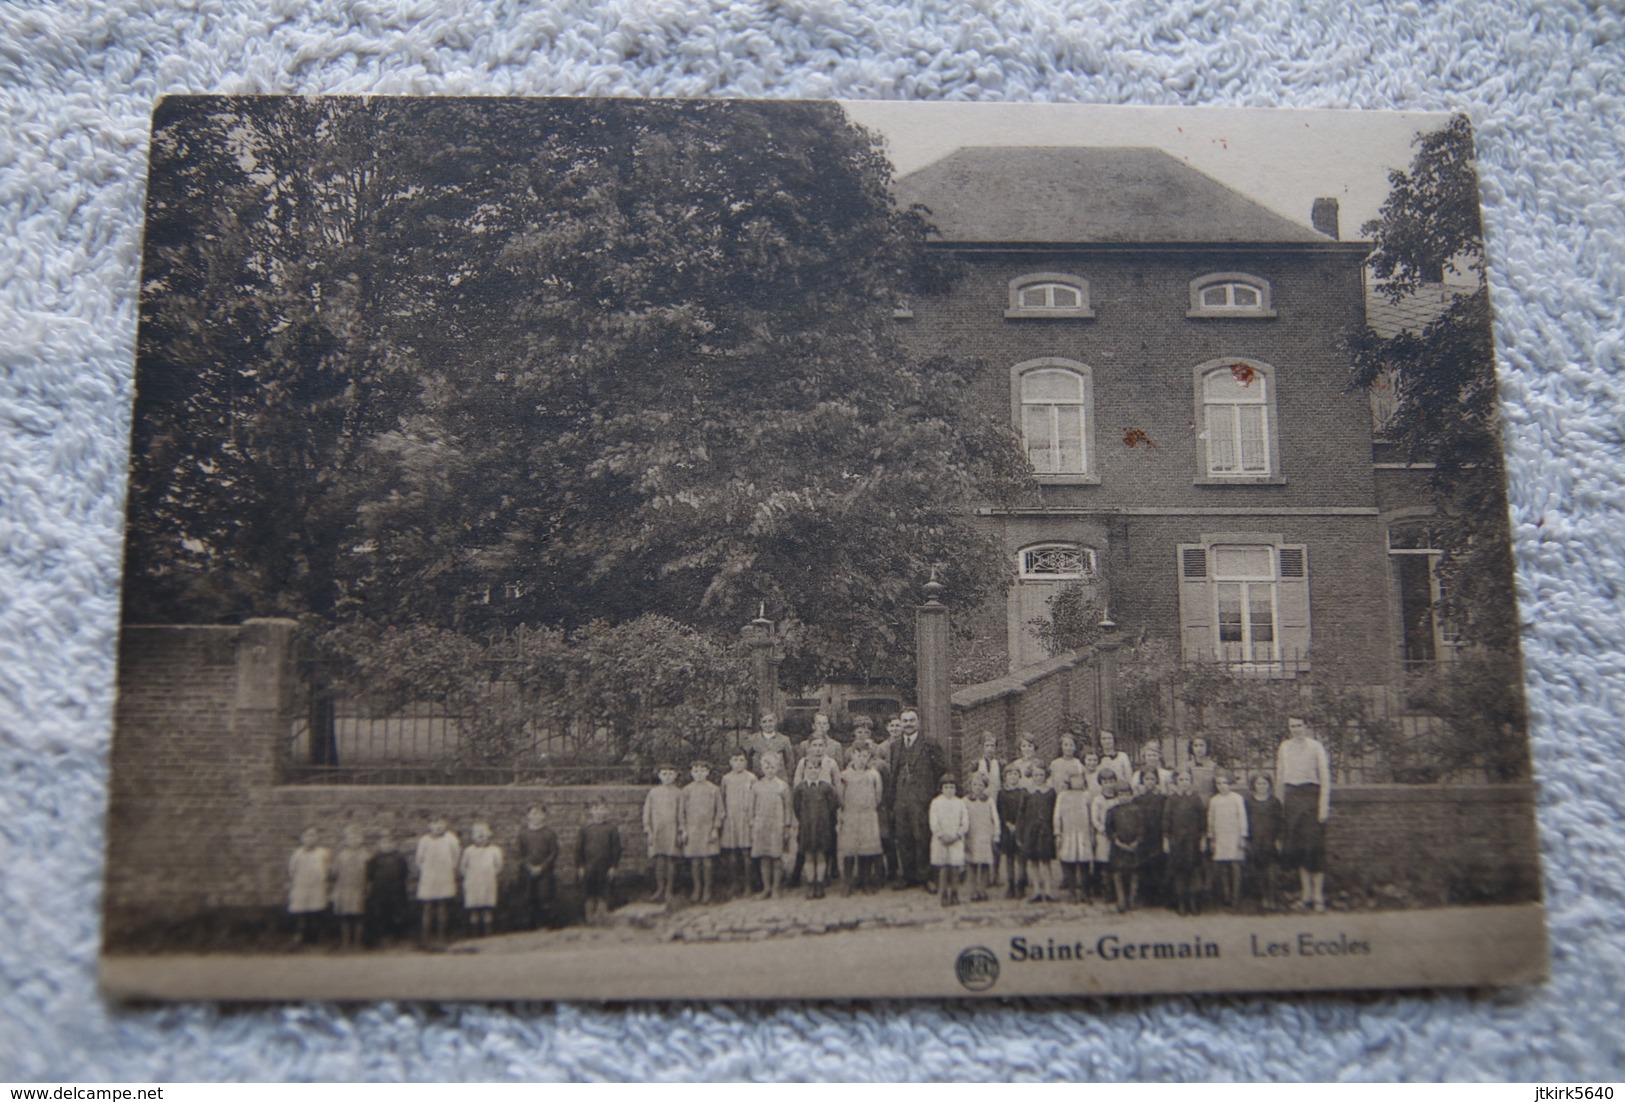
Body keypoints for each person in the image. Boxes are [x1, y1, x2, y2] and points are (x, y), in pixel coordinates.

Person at [1275, 715, 1332, 912]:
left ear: (1306, 726)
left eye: (1299, 725)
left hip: (1310, 799)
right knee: (1298, 849)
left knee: (1313, 849)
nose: (1295, 729)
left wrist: (1323, 808)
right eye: (1292, 726)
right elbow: (1281, 776)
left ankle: (1318, 897)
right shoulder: (1284, 747)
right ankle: (1305, 894)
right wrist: (1280, 806)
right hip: (1292, 799)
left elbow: (1325, 778)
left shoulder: (1315, 747)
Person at [889, 710, 945, 890]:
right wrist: (893, 799)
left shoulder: (929, 744)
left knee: (922, 837)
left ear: (919, 723)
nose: (908, 724)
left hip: (922, 799)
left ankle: (926, 876)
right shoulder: (896, 745)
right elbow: (894, 772)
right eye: (904, 721)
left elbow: (941, 771)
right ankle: (908, 875)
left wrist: (935, 797)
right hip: (901, 799)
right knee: (903, 837)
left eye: (912, 720)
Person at [836, 744, 884, 895]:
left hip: (868, 815)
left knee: (867, 850)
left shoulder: (873, 775)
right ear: (852, 756)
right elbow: (840, 796)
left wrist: (868, 807)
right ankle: (848, 882)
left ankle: (866, 881)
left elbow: (878, 795)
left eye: (864, 756)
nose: (861, 759)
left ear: (869, 757)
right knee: (849, 849)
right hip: (851, 815)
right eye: (858, 755)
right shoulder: (845, 775)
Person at [794, 745, 840, 899]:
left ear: (820, 770)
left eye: (816, 767)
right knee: (808, 856)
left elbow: (833, 806)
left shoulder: (826, 788)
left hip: (822, 826)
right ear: (805, 769)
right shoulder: (800, 789)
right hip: (806, 826)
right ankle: (811, 884)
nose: (813, 770)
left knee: (820, 855)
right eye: (810, 767)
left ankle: (820, 884)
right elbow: (796, 808)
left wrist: (826, 820)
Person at [749, 752, 794, 900]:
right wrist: (753, 824)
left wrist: (787, 826)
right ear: (761, 767)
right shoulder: (756, 786)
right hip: (761, 825)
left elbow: (788, 808)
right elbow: (752, 807)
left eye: (773, 767)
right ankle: (766, 888)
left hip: (777, 825)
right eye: (766, 767)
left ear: (778, 767)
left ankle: (776, 888)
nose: (769, 769)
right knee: (764, 858)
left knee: (776, 858)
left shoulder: (783, 786)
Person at [1162, 769, 1208, 916]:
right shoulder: (1172, 800)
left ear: (1191, 782)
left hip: (1193, 841)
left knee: (1193, 871)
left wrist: (1202, 838)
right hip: (1177, 841)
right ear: (1176, 782)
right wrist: (1166, 839)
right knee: (1179, 872)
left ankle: (1193, 902)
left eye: (1187, 780)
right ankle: (1181, 902)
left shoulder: (1195, 798)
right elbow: (1167, 820)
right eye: (1181, 780)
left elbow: (1202, 820)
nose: (1184, 783)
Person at [679, 760, 725, 904]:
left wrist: (715, 829)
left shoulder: (714, 789)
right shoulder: (686, 790)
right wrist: (684, 829)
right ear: (692, 773)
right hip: (693, 829)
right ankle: (697, 889)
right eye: (696, 771)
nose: (699, 774)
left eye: (702, 771)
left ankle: (707, 890)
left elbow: (720, 811)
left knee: (707, 861)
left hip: (708, 829)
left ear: (707, 772)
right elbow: (681, 813)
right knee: (695, 861)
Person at [414, 816, 460, 947]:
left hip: (444, 876)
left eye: (441, 823)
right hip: (429, 877)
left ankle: (442, 936)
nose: (438, 826)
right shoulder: (424, 840)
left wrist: (449, 868)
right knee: (427, 907)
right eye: (434, 823)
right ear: (429, 826)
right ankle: (426, 938)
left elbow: (455, 855)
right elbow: (419, 859)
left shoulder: (450, 839)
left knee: (442, 907)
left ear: (445, 825)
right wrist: (427, 870)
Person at [575, 798, 622, 924]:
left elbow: (616, 849)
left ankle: (602, 918)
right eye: (596, 809)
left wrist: (613, 866)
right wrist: (580, 866)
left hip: (605, 867)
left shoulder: (611, 829)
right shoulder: (585, 829)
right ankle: (589, 919)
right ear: (590, 811)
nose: (599, 812)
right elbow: (578, 849)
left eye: (602, 809)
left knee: (604, 892)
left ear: (606, 810)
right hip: (589, 866)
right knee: (589, 893)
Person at [1207, 770, 1249, 910]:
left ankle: (1236, 898)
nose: (1222, 786)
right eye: (1218, 783)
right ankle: (1226, 896)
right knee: (1223, 867)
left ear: (1230, 783)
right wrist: (1211, 838)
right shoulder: (1214, 800)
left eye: (1224, 783)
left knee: (1235, 866)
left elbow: (1242, 818)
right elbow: (1211, 820)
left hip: (1234, 835)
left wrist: (1242, 836)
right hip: (1220, 836)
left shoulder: (1237, 798)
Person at [719, 751, 758, 899]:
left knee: (746, 853)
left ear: (746, 762)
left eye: (741, 760)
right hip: (731, 819)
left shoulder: (751, 778)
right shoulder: (726, 779)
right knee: (732, 853)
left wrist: (752, 817)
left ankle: (748, 885)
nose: (738, 763)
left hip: (746, 819)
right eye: (735, 760)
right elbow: (722, 798)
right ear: (730, 762)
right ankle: (734, 884)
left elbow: (755, 798)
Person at [643, 764, 683, 903]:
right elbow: (647, 812)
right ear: (659, 776)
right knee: (659, 860)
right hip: (658, 830)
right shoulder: (653, 793)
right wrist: (648, 829)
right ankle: (660, 888)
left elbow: (681, 813)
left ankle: (669, 890)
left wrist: (680, 831)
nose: (667, 777)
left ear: (676, 776)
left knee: (671, 860)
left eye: (671, 774)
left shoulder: (679, 793)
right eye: (664, 774)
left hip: (672, 829)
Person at [1019, 766, 1059, 903]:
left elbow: (1055, 812)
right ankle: (1036, 890)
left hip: (1046, 831)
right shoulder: (1027, 792)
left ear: (1045, 776)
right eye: (1036, 775)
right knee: (1033, 861)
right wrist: (1021, 832)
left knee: (1046, 861)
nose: (1038, 777)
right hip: (1031, 830)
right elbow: (1021, 813)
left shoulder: (1050, 792)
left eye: (1041, 774)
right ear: (1032, 776)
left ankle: (1048, 891)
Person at [927, 774, 969, 906]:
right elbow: (933, 822)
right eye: (946, 787)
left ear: (956, 789)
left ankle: (955, 893)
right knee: (944, 868)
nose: (949, 790)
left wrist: (957, 835)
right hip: (941, 841)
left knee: (955, 868)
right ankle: (943, 894)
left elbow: (965, 822)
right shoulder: (936, 802)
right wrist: (941, 835)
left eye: (952, 787)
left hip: (956, 840)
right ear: (941, 788)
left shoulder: (960, 802)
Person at [516, 805, 560, 930]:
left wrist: (542, 867)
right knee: (529, 898)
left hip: (545, 872)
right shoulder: (523, 834)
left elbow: (554, 852)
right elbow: (519, 853)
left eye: (540, 813)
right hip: (527, 872)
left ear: (545, 816)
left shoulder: (549, 834)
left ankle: (544, 925)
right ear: (528, 816)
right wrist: (529, 866)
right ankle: (530, 926)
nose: (536, 816)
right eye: (533, 813)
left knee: (544, 897)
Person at [1246, 774, 1285, 910]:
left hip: (1270, 840)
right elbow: (1246, 822)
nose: (1261, 787)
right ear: (1254, 785)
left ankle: (1272, 897)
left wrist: (1279, 839)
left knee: (1271, 870)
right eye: (1259, 784)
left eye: (1264, 784)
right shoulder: (1249, 802)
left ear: (1269, 786)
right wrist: (1247, 840)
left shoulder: (1274, 802)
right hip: (1256, 840)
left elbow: (1280, 822)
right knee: (1259, 870)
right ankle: (1263, 897)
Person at [1053, 769, 1093, 903]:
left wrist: (1092, 832)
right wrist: (1058, 832)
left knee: (1084, 862)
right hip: (1068, 833)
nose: (1078, 782)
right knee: (1067, 860)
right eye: (1074, 779)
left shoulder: (1087, 795)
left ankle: (1085, 892)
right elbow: (1057, 814)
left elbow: (1091, 815)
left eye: (1080, 779)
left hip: (1083, 833)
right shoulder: (1063, 795)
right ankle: (1072, 892)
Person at [287, 826, 330, 946]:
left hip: (317, 886)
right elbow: (292, 870)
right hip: (301, 885)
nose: (310, 838)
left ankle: (315, 936)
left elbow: (327, 868)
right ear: (302, 838)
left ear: (317, 838)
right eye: (307, 836)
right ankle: (300, 935)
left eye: (313, 835)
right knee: (301, 911)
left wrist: (324, 881)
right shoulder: (298, 853)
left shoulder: (322, 853)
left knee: (315, 911)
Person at [365, 831, 410, 946]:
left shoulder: (399, 858)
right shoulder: (375, 858)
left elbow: (404, 873)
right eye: (384, 843)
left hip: (396, 891)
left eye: (390, 843)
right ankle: (381, 938)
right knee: (380, 914)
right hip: (380, 891)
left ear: (395, 845)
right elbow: (370, 874)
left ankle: (395, 937)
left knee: (396, 914)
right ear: (380, 844)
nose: (388, 845)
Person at [459, 820, 503, 936]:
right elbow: (463, 867)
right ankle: (475, 933)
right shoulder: (468, 851)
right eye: (477, 832)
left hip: (488, 882)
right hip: (473, 883)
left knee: (487, 909)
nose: (480, 835)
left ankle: (487, 933)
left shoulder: (494, 850)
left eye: (483, 832)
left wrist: (491, 873)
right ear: (473, 836)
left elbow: (498, 866)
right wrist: (470, 877)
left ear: (489, 834)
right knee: (474, 910)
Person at [331, 823, 369, 950]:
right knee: (345, 917)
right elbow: (334, 873)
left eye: (356, 837)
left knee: (359, 916)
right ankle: (345, 943)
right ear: (346, 840)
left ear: (361, 839)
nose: (354, 841)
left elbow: (370, 874)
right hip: (344, 889)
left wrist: (367, 887)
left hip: (359, 889)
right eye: (350, 838)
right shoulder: (341, 855)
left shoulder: (366, 855)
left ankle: (358, 942)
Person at [963, 772, 1000, 902]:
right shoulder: (965, 801)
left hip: (984, 835)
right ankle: (973, 891)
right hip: (971, 835)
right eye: (974, 784)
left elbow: (995, 818)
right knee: (972, 864)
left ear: (985, 786)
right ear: (970, 786)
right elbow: (963, 819)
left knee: (984, 864)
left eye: (980, 785)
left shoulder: (989, 801)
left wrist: (996, 835)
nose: (977, 787)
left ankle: (982, 890)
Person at [996, 767, 1027, 897]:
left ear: (1019, 777)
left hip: (1021, 828)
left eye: (1015, 774)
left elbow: (1025, 810)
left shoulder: (1023, 792)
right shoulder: (1002, 793)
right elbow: (1001, 810)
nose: (1013, 777)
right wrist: (1008, 823)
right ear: (1005, 777)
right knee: (1009, 857)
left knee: (1021, 857)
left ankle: (1021, 885)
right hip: (1007, 828)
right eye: (1010, 774)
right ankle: (1011, 885)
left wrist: (1018, 825)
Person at [747, 713, 794, 783]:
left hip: (779, 779)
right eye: (764, 722)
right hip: (759, 779)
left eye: (770, 721)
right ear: (760, 723)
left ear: (775, 721)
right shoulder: (753, 739)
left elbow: (790, 761)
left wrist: (787, 778)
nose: (768, 724)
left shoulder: (784, 740)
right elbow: (747, 759)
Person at [1187, 736, 1220, 802]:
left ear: (1207, 747)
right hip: (1192, 802)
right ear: (1192, 748)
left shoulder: (1213, 766)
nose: (1199, 749)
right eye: (1195, 746)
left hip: (1209, 801)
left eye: (1202, 745)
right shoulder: (1187, 766)